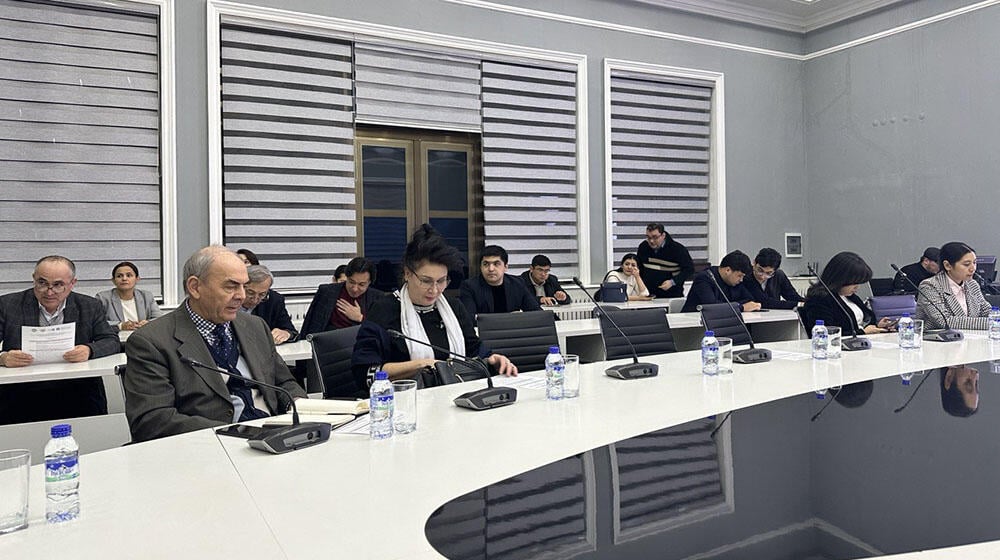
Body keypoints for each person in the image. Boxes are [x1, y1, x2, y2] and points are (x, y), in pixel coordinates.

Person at [123, 246, 306, 442]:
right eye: (231, 286)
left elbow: (284, 382)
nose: (242, 296)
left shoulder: (255, 326)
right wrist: (237, 432)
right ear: (195, 287)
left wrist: (298, 407)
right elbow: (152, 421)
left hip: (276, 438)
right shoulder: (152, 341)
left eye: (244, 286)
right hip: (210, 448)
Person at [352, 225, 516, 389]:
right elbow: (365, 373)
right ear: (407, 273)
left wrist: (493, 358)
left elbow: (473, 349)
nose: (435, 290)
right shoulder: (384, 310)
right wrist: (421, 364)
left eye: (441, 281)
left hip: (455, 394)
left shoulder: (453, 307)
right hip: (406, 401)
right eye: (426, 281)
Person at [0, 256, 121, 424]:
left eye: (58, 285)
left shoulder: (89, 305)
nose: (49, 292)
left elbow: (111, 340)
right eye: (42, 283)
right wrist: (3, 358)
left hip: (78, 390)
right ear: (34, 279)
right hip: (20, 391)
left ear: (72, 283)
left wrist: (89, 350)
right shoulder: (7, 305)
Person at [801, 251, 894, 336]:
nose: (857, 287)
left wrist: (878, 326)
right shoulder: (820, 299)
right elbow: (826, 333)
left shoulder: (851, 297)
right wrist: (863, 332)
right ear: (840, 279)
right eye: (854, 282)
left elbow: (862, 323)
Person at [916, 242, 991, 330]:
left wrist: (996, 317)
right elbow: (944, 321)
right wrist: (993, 323)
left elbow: (986, 311)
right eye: (966, 264)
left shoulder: (972, 284)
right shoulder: (929, 286)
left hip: (971, 337)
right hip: (936, 340)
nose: (973, 268)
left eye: (974, 263)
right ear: (947, 265)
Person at [301, 257, 384, 337]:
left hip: (359, 346)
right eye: (351, 282)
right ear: (347, 277)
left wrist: (360, 318)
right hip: (326, 344)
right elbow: (309, 325)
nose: (355, 289)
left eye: (361, 285)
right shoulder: (327, 292)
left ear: (369, 282)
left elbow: (382, 331)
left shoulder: (377, 298)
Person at [460, 245, 541, 318]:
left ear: (505, 267)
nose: (491, 269)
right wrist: (509, 319)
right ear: (480, 267)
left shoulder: (517, 283)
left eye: (496, 264)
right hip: (484, 333)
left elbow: (536, 312)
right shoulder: (470, 286)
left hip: (513, 331)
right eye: (486, 264)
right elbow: (469, 319)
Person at [681, 250, 761, 312]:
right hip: (693, 326)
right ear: (728, 270)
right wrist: (741, 307)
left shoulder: (734, 282)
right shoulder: (704, 279)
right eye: (739, 276)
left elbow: (749, 300)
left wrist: (737, 306)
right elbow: (711, 306)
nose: (741, 280)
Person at [96, 261, 164, 331]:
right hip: (116, 338)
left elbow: (160, 319)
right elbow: (97, 322)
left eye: (129, 275)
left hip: (142, 337)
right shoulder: (103, 298)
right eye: (119, 276)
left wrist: (148, 323)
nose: (124, 279)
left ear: (137, 279)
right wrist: (120, 326)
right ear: (113, 280)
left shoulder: (146, 296)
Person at [241, 265, 297, 344]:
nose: (255, 299)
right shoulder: (227, 300)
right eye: (250, 293)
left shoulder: (274, 300)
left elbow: (292, 332)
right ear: (241, 286)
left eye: (262, 294)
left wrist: (286, 333)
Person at [637, 223, 694, 299]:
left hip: (671, 295)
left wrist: (672, 282)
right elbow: (639, 267)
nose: (651, 241)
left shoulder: (678, 249)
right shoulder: (643, 247)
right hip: (648, 295)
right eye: (648, 237)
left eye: (655, 237)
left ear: (663, 235)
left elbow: (689, 270)